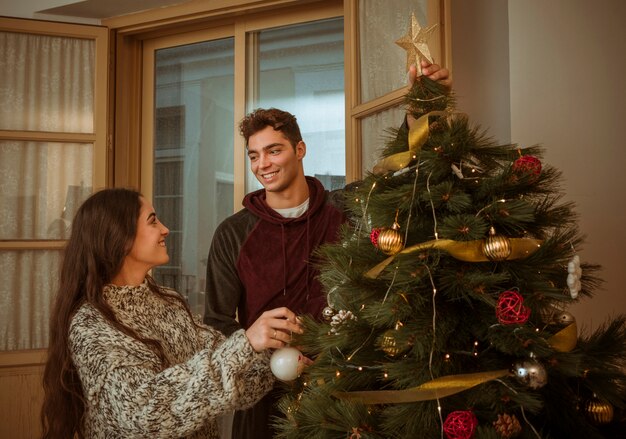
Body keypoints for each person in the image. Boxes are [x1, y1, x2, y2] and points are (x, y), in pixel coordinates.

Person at [203, 61, 450, 439]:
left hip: (346, 387)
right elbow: (218, 322)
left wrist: (419, 108)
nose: (263, 164)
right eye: (254, 155)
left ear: (300, 149)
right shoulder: (232, 234)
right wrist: (266, 353)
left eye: (274, 150)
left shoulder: (346, 210)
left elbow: (400, 179)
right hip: (266, 398)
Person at [41, 188, 302, 439]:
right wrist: (245, 344)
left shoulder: (169, 302)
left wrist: (275, 355)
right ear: (120, 237)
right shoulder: (90, 324)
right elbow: (144, 414)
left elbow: (234, 384)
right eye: (152, 221)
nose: (165, 229)